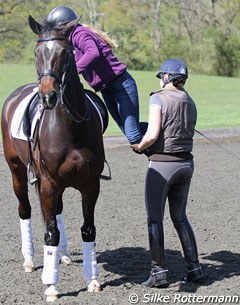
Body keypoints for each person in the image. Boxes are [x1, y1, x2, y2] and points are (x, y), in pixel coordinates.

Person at [131, 58, 204, 287]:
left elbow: (152, 135)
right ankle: (195, 269)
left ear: (166, 77)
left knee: (155, 219)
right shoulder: (189, 100)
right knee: (180, 218)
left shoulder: (158, 98)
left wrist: (139, 146)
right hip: (186, 165)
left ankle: (158, 272)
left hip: (162, 166)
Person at [47, 5, 145, 146]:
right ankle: (164, 132)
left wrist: (74, 71)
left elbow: (93, 52)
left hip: (121, 85)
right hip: (106, 89)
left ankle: (163, 153)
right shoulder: (69, 40)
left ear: (65, 26)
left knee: (133, 136)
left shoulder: (79, 34)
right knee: (128, 130)